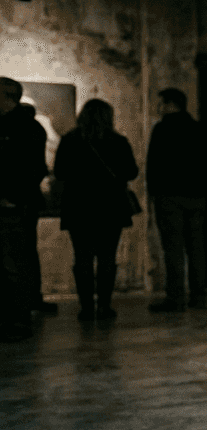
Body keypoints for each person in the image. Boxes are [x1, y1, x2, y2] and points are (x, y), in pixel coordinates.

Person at [53, 99, 139, 321]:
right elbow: (131, 172)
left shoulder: (70, 140)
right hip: (110, 208)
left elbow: (59, 172)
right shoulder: (117, 141)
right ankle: (104, 306)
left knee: (82, 258)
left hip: (78, 207)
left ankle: (86, 308)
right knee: (107, 258)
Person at [147, 88, 207, 312]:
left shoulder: (162, 129)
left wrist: (152, 194)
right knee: (196, 248)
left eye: (162, 103)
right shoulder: (198, 129)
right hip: (196, 196)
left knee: (173, 248)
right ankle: (198, 295)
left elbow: (153, 165)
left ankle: (175, 297)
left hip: (169, 196)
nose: (160, 108)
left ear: (170, 104)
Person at [0, 77, 51, 340]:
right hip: (14, 204)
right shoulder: (23, 126)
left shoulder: (27, 128)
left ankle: (17, 320)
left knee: (15, 264)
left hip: (15, 206)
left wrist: (12, 197)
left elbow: (33, 168)